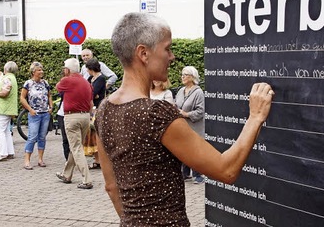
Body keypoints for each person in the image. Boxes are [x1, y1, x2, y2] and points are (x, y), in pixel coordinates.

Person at [94, 12, 273, 226]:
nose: (172, 57)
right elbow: (226, 170)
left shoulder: (104, 110)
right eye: (167, 48)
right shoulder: (155, 114)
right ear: (143, 53)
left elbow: (111, 187)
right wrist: (255, 116)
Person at [55, 58, 94, 189]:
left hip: (72, 117)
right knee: (75, 146)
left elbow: (58, 87)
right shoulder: (86, 82)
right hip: (85, 116)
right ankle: (67, 174)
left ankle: (87, 179)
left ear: (67, 69)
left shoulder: (67, 80)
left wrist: (65, 76)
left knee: (76, 148)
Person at [175, 66, 205, 184]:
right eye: (182, 74)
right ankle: (185, 173)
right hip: (182, 126)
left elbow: (200, 111)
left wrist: (186, 114)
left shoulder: (198, 92)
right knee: (183, 150)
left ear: (192, 77)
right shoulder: (180, 91)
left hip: (194, 127)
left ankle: (198, 175)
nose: (182, 77)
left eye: (185, 75)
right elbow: (177, 105)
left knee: (194, 151)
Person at [20, 62, 53, 170]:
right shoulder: (28, 84)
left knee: (42, 137)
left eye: (41, 69)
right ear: (33, 72)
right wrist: (30, 109)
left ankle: (40, 159)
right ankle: (27, 160)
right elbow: (22, 98)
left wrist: (51, 107)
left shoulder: (45, 83)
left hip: (45, 113)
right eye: (39, 70)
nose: (41, 72)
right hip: (34, 114)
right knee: (32, 137)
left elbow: (49, 96)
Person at [0, 61, 18, 162]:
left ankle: (2, 153)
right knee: (6, 131)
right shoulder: (13, 78)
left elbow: (5, 93)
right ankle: (10, 152)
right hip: (8, 109)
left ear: (6, 69)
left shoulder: (7, 78)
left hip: (3, 109)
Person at [84, 59, 106, 169]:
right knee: (92, 135)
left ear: (91, 69)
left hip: (98, 109)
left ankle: (100, 160)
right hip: (91, 109)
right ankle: (97, 159)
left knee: (97, 134)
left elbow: (93, 93)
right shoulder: (90, 78)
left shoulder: (101, 78)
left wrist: (92, 94)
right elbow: (87, 91)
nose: (87, 71)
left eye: (87, 69)